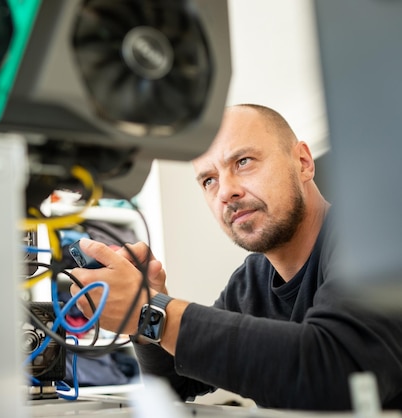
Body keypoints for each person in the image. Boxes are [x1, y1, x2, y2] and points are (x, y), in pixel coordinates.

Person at [69, 104, 402, 410]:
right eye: (209, 180)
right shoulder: (252, 280)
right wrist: (146, 312)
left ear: (303, 162)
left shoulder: (374, 237)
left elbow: (334, 374)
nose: (226, 192)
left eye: (243, 162)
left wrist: (152, 312)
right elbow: (174, 383)